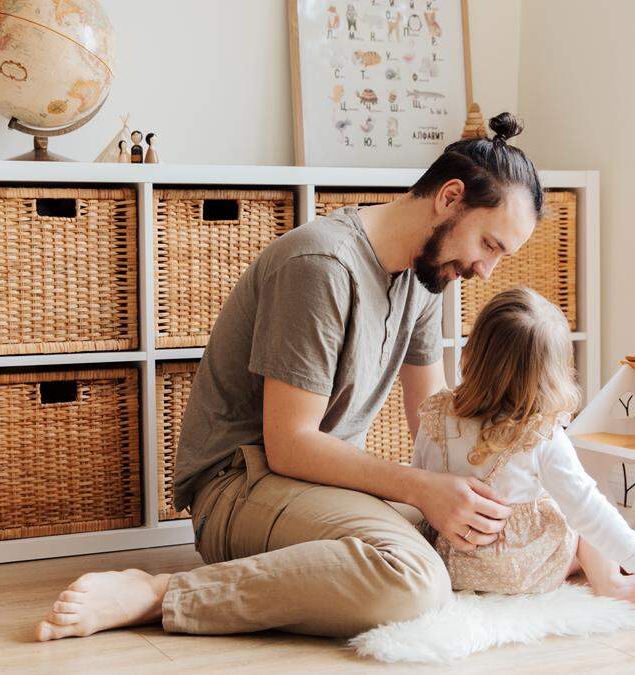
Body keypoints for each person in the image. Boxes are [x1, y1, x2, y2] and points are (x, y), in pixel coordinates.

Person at [37, 113, 544, 640]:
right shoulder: (322, 265)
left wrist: (501, 477)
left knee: (484, 534)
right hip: (242, 483)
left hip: (324, 486)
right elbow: (290, 444)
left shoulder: (423, 276)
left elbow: (433, 422)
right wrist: (425, 492)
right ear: (450, 198)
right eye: (489, 245)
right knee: (415, 581)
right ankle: (160, 593)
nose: (486, 270)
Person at [413, 287, 635, 605]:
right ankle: (611, 582)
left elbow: (419, 478)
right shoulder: (541, 435)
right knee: (578, 511)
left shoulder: (437, 414)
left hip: (452, 562)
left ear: (472, 352)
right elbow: (588, 509)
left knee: (568, 506)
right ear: (553, 377)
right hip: (518, 572)